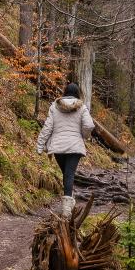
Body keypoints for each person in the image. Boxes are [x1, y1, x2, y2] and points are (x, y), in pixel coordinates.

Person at [35, 83, 95, 218]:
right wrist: (84, 135)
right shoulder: (82, 107)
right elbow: (89, 125)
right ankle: (67, 208)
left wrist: (40, 146)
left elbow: (47, 128)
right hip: (75, 147)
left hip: (58, 147)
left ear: (65, 92)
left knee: (66, 174)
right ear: (77, 93)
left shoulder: (54, 107)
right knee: (69, 174)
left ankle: (68, 203)